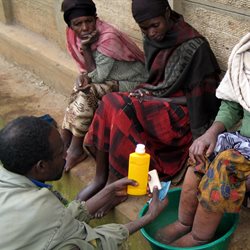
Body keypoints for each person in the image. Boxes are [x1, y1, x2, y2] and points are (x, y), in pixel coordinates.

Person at [78, 0, 221, 202]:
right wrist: (149, 96)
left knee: (123, 107)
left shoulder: (196, 47)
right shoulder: (153, 38)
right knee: (109, 101)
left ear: (167, 12)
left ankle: (115, 183)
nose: (152, 33)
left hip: (184, 114)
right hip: (157, 98)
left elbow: (202, 101)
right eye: (144, 29)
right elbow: (155, 81)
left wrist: (154, 98)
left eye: (155, 25)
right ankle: (100, 178)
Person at [0, 116, 168, 250]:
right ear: (41, 166)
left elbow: (59, 221)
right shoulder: (41, 208)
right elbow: (96, 243)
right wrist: (148, 217)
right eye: (61, 153)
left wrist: (108, 192)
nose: (67, 154)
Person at [154, 33, 250, 247]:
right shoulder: (246, 55)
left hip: (242, 154)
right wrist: (210, 134)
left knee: (225, 167)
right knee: (201, 155)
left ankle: (199, 236)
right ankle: (183, 222)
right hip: (244, 144)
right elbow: (233, 104)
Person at [61, 0, 149, 171]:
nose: (85, 27)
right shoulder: (75, 36)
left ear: (96, 18)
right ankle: (65, 139)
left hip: (134, 82)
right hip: (110, 79)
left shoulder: (108, 38)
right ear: (71, 27)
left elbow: (99, 77)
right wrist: (83, 76)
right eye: (78, 24)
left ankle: (76, 148)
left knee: (88, 91)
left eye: (89, 21)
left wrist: (86, 48)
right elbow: (90, 71)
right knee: (79, 86)